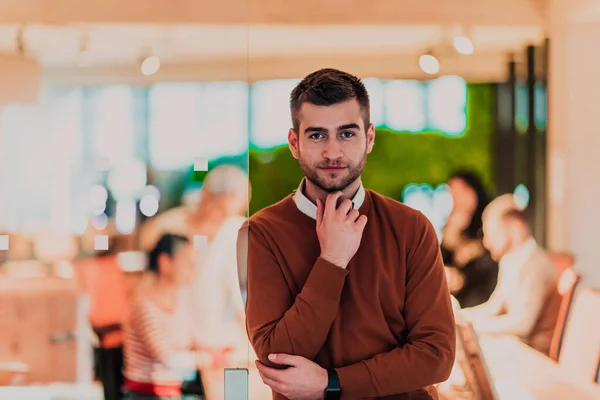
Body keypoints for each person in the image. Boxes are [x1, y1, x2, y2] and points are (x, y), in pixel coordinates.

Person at [239, 68, 455, 400]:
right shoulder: (262, 233)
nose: (332, 152)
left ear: (369, 138)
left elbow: (436, 357)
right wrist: (332, 260)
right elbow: (277, 358)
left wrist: (332, 383)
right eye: (316, 135)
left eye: (346, 134)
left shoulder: (412, 227)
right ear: (294, 143)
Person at [123, 234, 223, 399]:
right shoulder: (144, 304)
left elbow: (193, 337)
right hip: (147, 394)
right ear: (165, 262)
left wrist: (216, 349)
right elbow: (169, 358)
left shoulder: (181, 300)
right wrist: (212, 359)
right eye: (187, 263)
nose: (193, 270)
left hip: (172, 391)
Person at [463, 196, 560, 355]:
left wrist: (471, 326)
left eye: (492, 233)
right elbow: (495, 306)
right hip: (515, 347)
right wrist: (463, 318)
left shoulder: (535, 265)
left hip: (530, 355)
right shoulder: (511, 261)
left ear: (516, 227)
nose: (486, 242)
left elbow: (521, 324)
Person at [441, 172, 499, 308]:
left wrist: (472, 250)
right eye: (452, 192)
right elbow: (443, 260)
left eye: (461, 192)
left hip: (481, 293)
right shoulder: (453, 223)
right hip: (457, 293)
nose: (456, 198)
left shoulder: (490, 218)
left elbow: (490, 262)